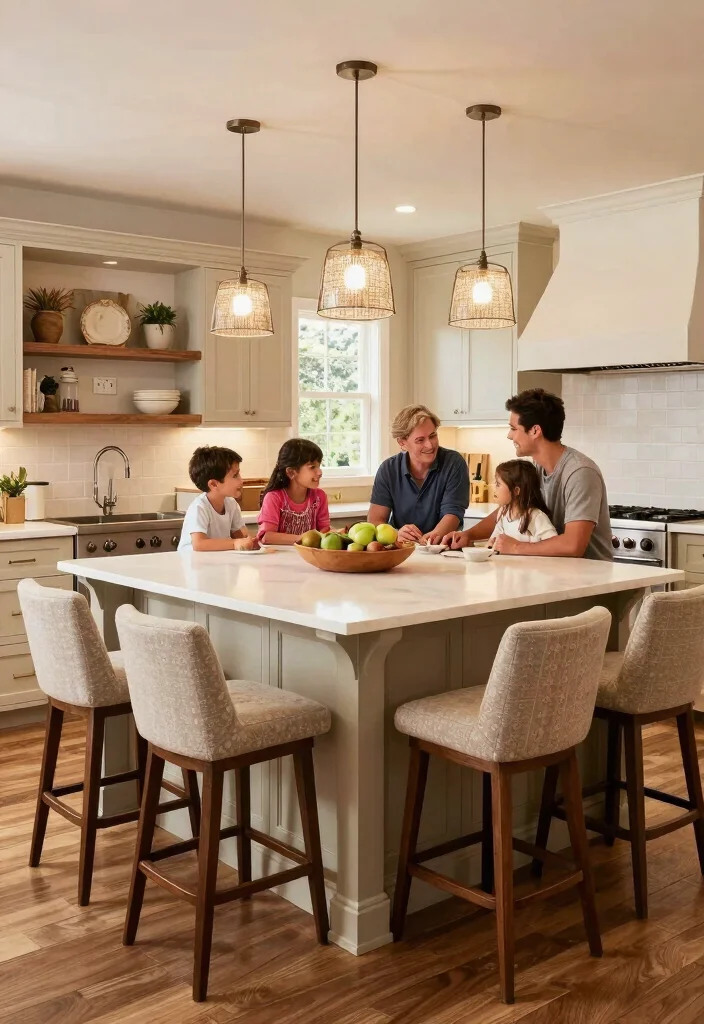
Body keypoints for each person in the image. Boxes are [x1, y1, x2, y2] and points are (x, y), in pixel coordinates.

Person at [446, 388, 613, 559]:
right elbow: (510, 510)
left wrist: (516, 547)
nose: (509, 435)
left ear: (535, 431)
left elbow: (573, 546)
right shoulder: (537, 467)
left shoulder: (580, 473)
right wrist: (468, 535)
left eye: (513, 428)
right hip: (555, 574)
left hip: (590, 579)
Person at [368, 404, 470, 544]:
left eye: (433, 436)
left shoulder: (454, 463)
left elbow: (452, 513)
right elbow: (375, 520)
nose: (430, 445)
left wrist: (430, 538)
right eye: (420, 440)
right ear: (403, 443)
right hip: (401, 549)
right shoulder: (388, 469)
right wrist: (396, 534)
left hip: (443, 548)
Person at [178, 446, 256, 553]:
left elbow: (240, 535)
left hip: (216, 563)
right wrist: (234, 543)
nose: (241, 481)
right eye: (235, 475)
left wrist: (251, 541)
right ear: (214, 484)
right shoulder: (199, 507)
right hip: (193, 564)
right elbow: (199, 544)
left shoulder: (231, 504)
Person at [258, 438, 330, 545]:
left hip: (309, 557)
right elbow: (267, 536)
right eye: (312, 467)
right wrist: (303, 538)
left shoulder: (319, 496)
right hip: (279, 557)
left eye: (319, 466)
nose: (319, 472)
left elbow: (324, 530)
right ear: (291, 472)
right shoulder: (274, 497)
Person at [489, 459, 557, 546]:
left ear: (516, 491)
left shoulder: (536, 516)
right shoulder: (503, 512)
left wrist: (523, 542)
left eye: (498, 484)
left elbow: (553, 544)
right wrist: (491, 544)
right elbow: (494, 539)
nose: (495, 488)